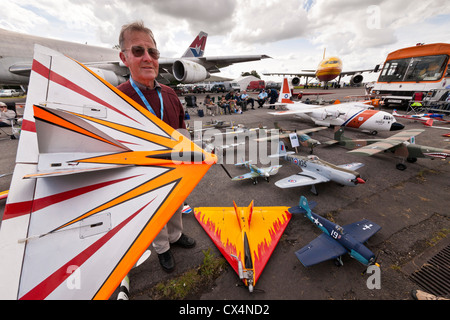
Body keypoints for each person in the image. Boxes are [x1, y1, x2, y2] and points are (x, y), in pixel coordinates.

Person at [117, 21, 196, 273]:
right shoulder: (119, 99)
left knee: (174, 206)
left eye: (153, 52)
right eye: (138, 51)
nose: (147, 58)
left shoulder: (170, 94)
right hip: (143, 172)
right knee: (153, 213)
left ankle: (175, 237)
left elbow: (181, 127)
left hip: (174, 166)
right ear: (124, 57)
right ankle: (162, 248)